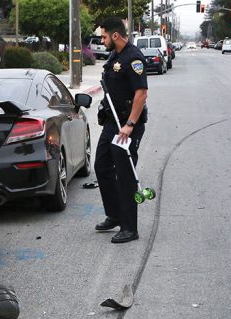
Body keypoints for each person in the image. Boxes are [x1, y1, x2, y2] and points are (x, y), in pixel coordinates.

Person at [94, 17, 148, 244]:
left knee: (124, 174)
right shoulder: (114, 56)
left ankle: (129, 228)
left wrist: (130, 125)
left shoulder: (133, 58)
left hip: (128, 126)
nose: (102, 40)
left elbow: (141, 93)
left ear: (115, 35)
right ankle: (115, 214)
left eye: (104, 36)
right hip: (111, 124)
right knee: (101, 166)